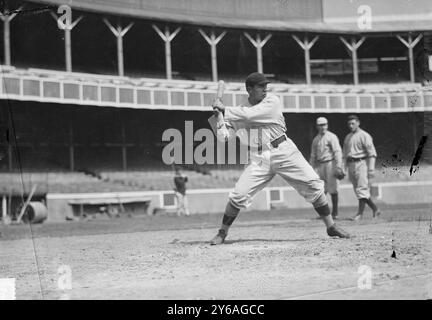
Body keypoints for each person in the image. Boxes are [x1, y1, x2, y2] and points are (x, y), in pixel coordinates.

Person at [209, 72, 350, 245]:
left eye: (265, 85)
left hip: (283, 150)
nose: (265, 89)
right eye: (260, 86)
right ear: (249, 89)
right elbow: (224, 137)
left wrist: (225, 109)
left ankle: (331, 226)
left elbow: (250, 115)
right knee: (238, 195)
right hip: (258, 157)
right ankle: (222, 232)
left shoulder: (271, 101)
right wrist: (220, 118)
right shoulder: (239, 110)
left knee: (314, 184)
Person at [342, 115, 381, 221]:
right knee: (358, 190)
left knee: (361, 189)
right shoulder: (348, 137)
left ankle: (360, 214)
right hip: (351, 164)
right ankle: (375, 209)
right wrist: (343, 169)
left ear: (358, 123)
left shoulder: (364, 135)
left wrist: (371, 169)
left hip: (361, 163)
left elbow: (372, 153)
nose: (351, 126)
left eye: (353, 123)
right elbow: (345, 155)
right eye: (349, 124)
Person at [310, 117, 343, 219]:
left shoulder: (332, 137)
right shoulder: (316, 139)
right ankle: (325, 214)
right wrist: (311, 168)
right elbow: (313, 155)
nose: (323, 126)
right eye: (320, 125)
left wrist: (338, 166)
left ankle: (335, 213)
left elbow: (337, 151)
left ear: (327, 125)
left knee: (333, 189)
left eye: (324, 124)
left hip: (330, 163)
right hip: (320, 165)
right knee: (321, 190)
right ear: (317, 126)